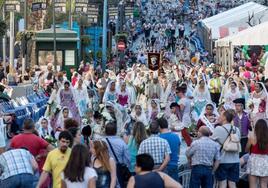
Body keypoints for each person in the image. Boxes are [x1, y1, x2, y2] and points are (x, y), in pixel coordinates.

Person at [211, 110, 241, 188]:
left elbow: (211, 143)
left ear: (224, 117)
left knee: (222, 184)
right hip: (235, 160)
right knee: (232, 184)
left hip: (223, 160)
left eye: (220, 115)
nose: (219, 117)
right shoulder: (236, 129)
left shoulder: (218, 129)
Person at [246, 119, 268, 188]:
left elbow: (246, 149)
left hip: (254, 161)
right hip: (265, 161)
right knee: (264, 184)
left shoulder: (252, 137)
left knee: (253, 185)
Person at [158, 117, 180, 181]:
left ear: (159, 127)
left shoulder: (159, 138)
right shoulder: (176, 136)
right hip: (174, 165)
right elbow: (178, 152)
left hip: (164, 166)